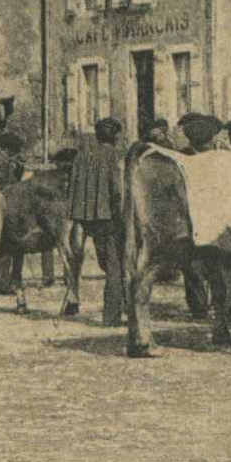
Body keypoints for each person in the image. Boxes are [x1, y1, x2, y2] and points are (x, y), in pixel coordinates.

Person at [69, 117, 128, 326]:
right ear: (116, 137)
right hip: (108, 217)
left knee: (105, 261)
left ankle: (123, 306)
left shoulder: (82, 156)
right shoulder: (113, 156)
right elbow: (116, 189)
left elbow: (73, 187)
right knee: (115, 267)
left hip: (85, 218)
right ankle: (112, 316)